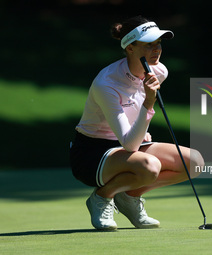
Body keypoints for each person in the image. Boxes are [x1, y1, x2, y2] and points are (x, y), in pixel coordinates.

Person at [70, 15, 204, 230]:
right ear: (130, 48)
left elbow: (133, 124)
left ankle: (129, 197)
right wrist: (149, 104)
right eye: (149, 45)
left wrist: (142, 129)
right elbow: (130, 144)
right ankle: (102, 196)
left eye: (158, 43)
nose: (157, 49)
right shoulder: (107, 83)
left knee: (194, 162)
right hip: (92, 153)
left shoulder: (159, 71)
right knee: (150, 166)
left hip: (129, 143)